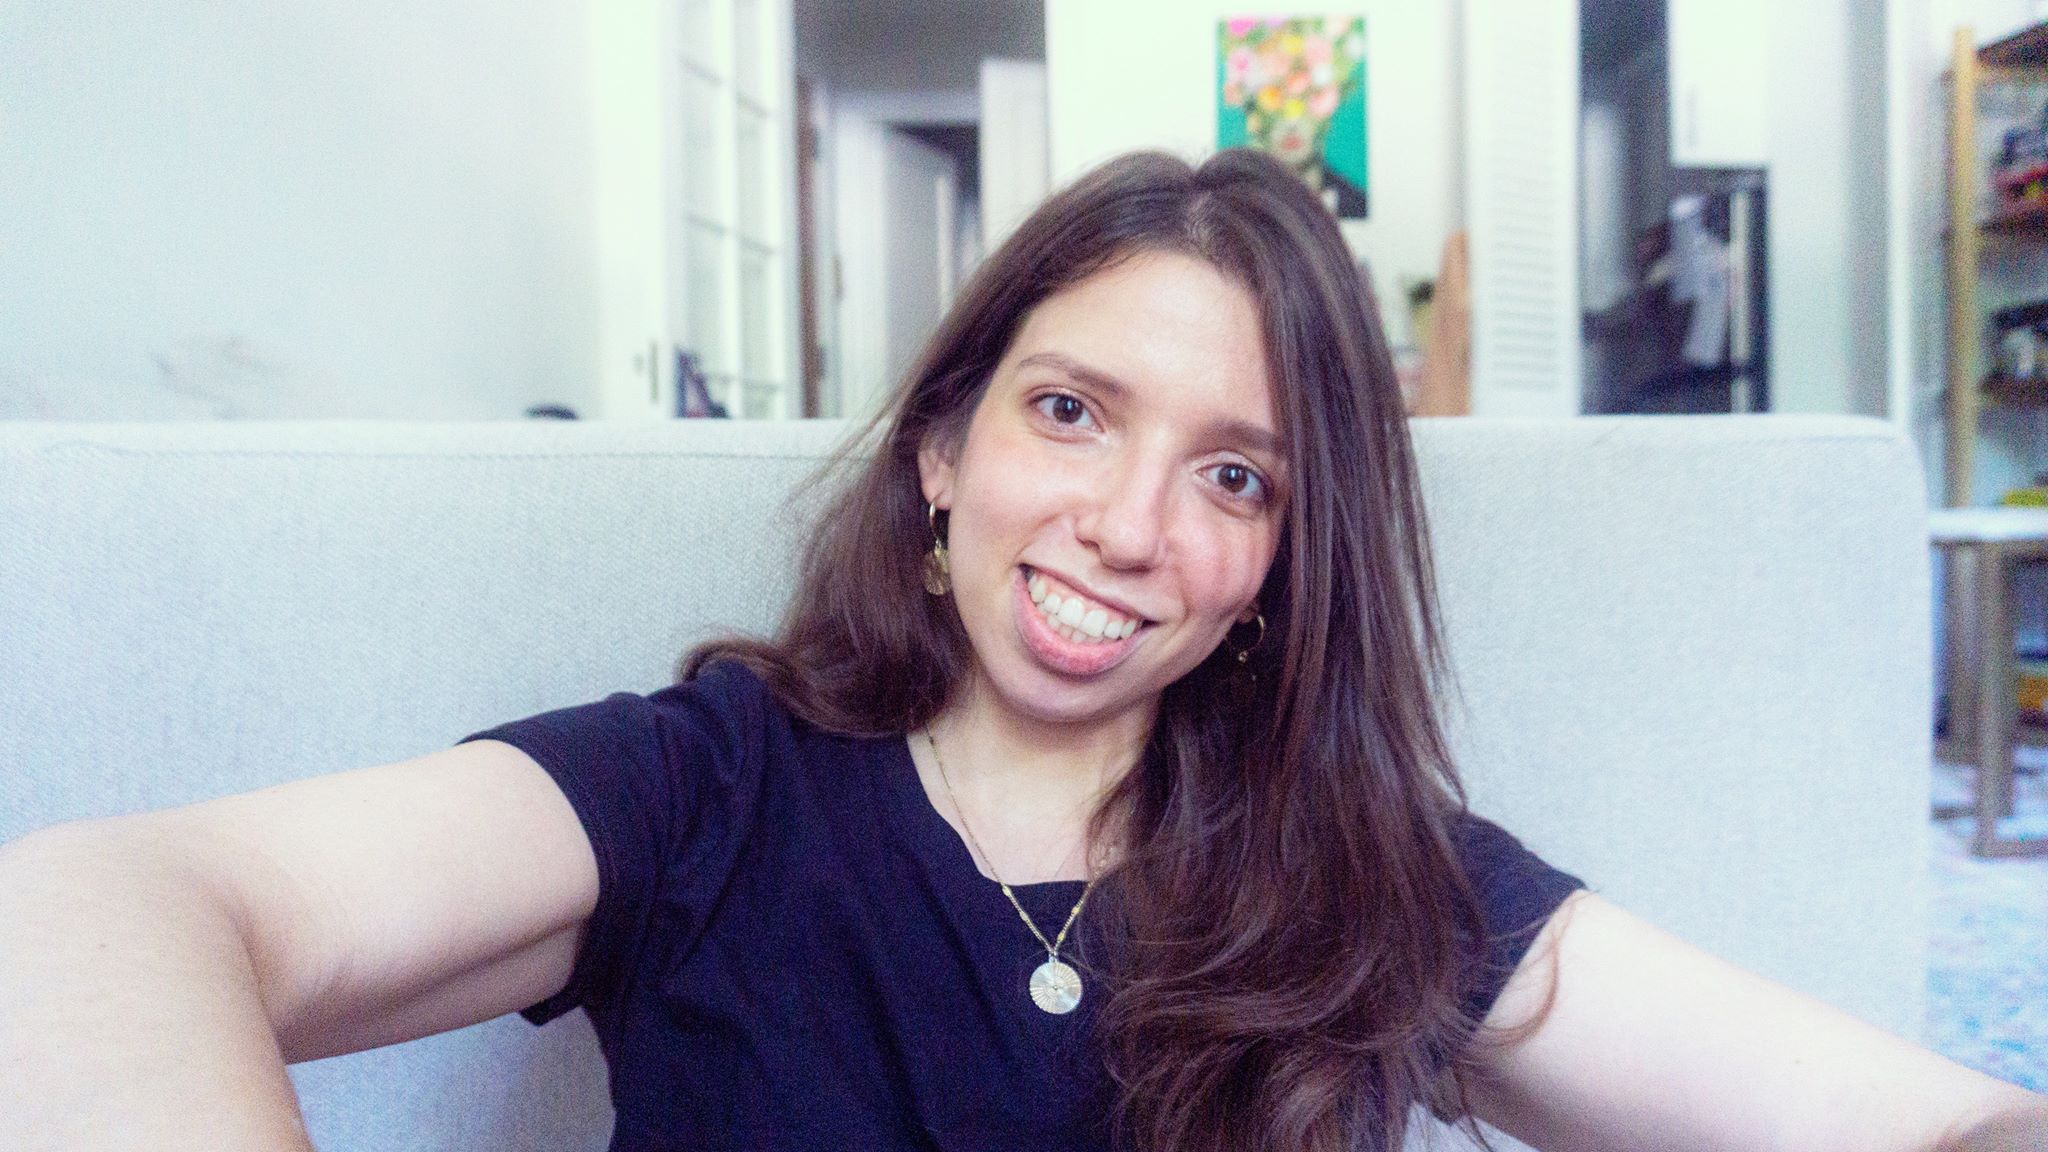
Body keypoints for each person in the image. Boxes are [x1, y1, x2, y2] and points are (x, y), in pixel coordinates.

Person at [2, 149, 2043, 1152]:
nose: (1129, 527)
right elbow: (89, 909)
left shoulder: (1373, 884)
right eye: (1071, 413)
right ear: (942, 448)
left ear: (1281, 565)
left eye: (1233, 476)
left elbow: (1925, 1124)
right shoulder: (703, 789)